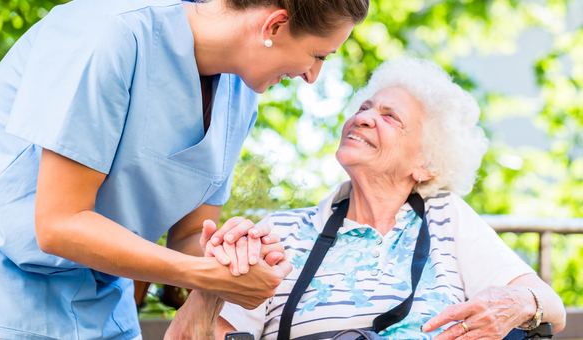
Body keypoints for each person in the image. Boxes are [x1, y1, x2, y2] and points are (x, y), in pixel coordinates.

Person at [0, 0, 370, 338]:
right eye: (319, 55)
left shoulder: (239, 98)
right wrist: (199, 275)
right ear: (274, 25)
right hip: (3, 300)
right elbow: (58, 225)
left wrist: (233, 255)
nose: (312, 75)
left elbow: (186, 235)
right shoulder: (109, 32)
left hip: (105, 314)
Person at [173, 56, 567, 340]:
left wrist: (514, 301)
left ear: (427, 164)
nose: (363, 117)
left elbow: (551, 306)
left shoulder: (447, 217)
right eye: (364, 107)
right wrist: (210, 287)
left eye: (390, 117)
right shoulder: (281, 231)